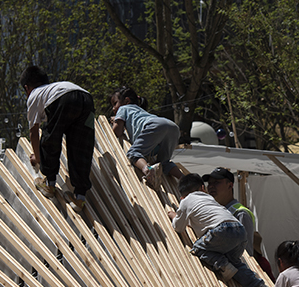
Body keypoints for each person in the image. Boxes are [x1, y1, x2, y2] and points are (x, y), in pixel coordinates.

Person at [169, 173, 270, 287]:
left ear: (182, 196)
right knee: (236, 263)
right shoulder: (209, 199)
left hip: (222, 230)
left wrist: (174, 216)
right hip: (239, 230)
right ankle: (259, 286)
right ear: (203, 188)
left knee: (198, 248)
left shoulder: (186, 201)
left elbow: (179, 227)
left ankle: (223, 265)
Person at [20, 65, 95, 212]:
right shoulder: (54, 88)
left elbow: (34, 133)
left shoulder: (35, 94)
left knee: (51, 138)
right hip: (87, 99)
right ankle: (80, 198)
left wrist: (38, 157)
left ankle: (49, 183)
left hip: (63, 99)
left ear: (27, 88)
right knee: (81, 147)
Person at [110, 86, 183, 190]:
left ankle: (148, 170)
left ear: (126, 100)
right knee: (164, 163)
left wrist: (115, 121)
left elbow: (117, 132)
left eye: (114, 103)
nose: (113, 108)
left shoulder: (123, 108)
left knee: (133, 153)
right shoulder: (141, 111)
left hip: (154, 125)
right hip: (172, 127)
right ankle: (186, 179)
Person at [204, 167, 254, 255]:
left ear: (230, 185)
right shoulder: (213, 211)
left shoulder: (240, 214)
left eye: (216, 182)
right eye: (209, 183)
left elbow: (246, 251)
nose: (211, 186)